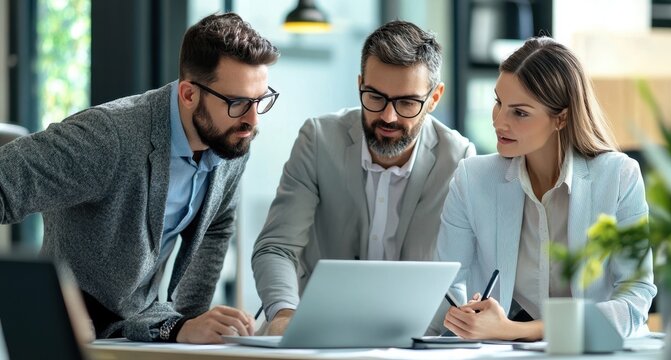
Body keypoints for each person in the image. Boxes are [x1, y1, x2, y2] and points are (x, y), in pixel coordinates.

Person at [0, 13, 279, 343]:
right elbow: (6, 180)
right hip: (67, 327)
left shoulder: (231, 140)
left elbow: (216, 225)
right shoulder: (110, 137)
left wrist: (187, 324)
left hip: (137, 328)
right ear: (189, 94)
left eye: (260, 101)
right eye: (237, 103)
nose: (252, 120)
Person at [252, 20, 475, 335]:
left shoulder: (459, 160)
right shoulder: (318, 140)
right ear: (360, 85)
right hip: (315, 334)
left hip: (416, 340)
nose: (388, 116)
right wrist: (286, 315)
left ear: (434, 98)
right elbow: (277, 247)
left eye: (407, 102)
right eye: (375, 97)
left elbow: (461, 276)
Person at [432, 37, 656, 340]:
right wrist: (466, 315)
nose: (499, 122)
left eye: (519, 112)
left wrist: (516, 330)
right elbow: (447, 283)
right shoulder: (472, 178)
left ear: (561, 118)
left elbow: (635, 298)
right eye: (498, 102)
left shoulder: (619, 177)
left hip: (595, 351)